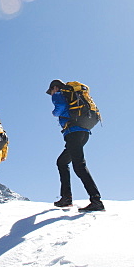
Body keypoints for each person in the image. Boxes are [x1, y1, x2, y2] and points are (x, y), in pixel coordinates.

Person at [47, 80, 104, 212]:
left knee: (79, 166)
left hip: (73, 132)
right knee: (62, 162)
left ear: (55, 87)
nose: (51, 94)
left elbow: (59, 108)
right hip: (84, 132)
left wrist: (54, 113)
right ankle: (66, 198)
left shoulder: (59, 94)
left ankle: (96, 200)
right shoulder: (74, 95)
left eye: (51, 91)